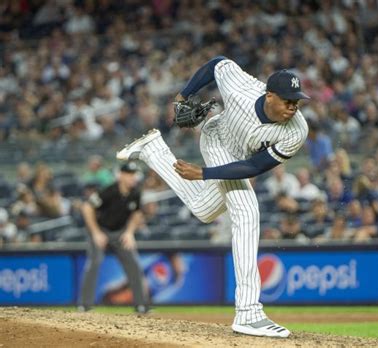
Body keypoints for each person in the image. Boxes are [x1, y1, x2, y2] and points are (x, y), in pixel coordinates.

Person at [117, 56, 310, 337]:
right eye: (288, 101)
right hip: (217, 138)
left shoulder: (297, 130)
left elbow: (255, 167)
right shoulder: (241, 88)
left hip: (239, 160)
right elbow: (218, 63)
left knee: (204, 209)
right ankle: (248, 312)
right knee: (247, 210)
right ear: (270, 95)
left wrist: (205, 174)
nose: (293, 108)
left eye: (297, 102)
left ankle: (152, 150)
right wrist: (183, 95)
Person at [78, 161, 149, 314]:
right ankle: (85, 306)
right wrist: (96, 233)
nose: (133, 178)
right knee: (94, 263)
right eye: (129, 174)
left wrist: (130, 232)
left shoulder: (136, 193)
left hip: (119, 233)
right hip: (101, 230)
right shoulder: (109, 191)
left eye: (134, 174)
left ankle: (141, 306)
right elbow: (86, 207)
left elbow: (136, 213)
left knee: (134, 265)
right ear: (121, 175)